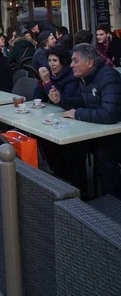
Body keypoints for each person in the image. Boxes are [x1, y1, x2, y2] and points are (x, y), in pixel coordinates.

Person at [54, 43, 121, 198]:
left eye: (75, 61)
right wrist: (61, 100)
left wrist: (77, 113)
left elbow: (109, 114)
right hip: (99, 133)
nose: (71, 65)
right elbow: (79, 100)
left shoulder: (108, 77)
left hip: (116, 135)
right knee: (72, 147)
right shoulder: (85, 78)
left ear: (90, 63)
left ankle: (112, 202)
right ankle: (79, 194)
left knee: (104, 153)